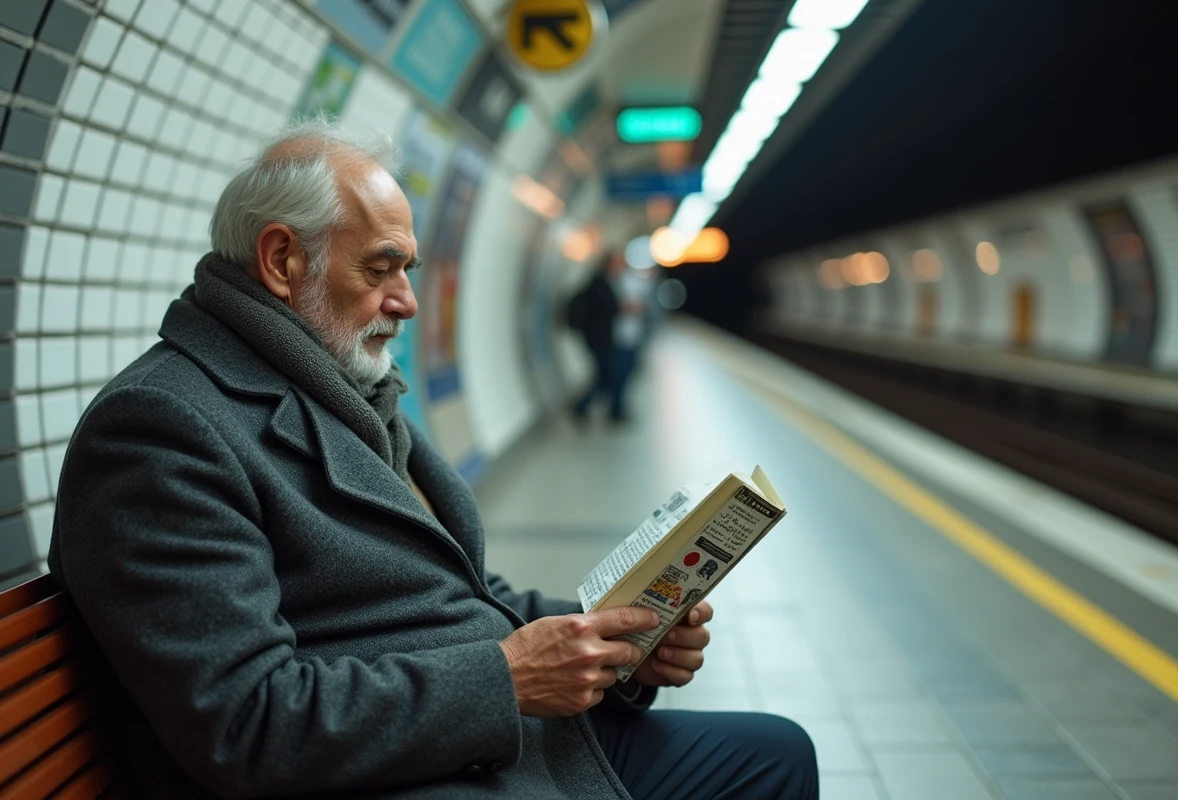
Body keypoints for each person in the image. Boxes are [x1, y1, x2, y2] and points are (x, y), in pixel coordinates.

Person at [48, 119, 817, 800]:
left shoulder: (343, 393)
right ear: (282, 260)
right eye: (381, 268)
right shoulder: (162, 428)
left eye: (408, 270)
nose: (407, 300)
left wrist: (611, 642)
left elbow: (464, 593)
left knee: (777, 753)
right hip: (391, 772)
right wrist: (507, 679)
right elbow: (244, 723)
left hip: (466, 742)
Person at [572, 252, 642, 423]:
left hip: (606, 338)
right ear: (609, 264)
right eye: (618, 263)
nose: (621, 267)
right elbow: (603, 309)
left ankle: (608, 408)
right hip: (600, 339)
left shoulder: (609, 282)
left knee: (607, 374)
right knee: (606, 374)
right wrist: (623, 308)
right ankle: (584, 405)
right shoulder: (599, 283)